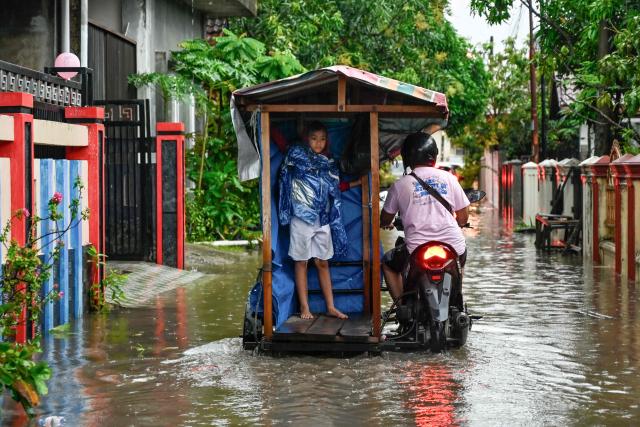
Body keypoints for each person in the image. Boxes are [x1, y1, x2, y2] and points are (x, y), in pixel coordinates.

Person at [380, 131, 470, 301]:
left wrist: (386, 223)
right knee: (460, 259)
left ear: (407, 156)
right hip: (453, 246)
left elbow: (385, 219)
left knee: (388, 263)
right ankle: (457, 297)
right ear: (433, 156)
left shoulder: (400, 185)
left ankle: (402, 307)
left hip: (416, 249)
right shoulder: (449, 178)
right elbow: (463, 218)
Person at [278, 121, 348, 320]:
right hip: (301, 217)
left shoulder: (328, 163)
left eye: (322, 139)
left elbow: (334, 187)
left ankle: (331, 307)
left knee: (323, 262)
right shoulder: (296, 156)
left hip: (322, 217)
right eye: (314, 138)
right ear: (306, 139)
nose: (318, 143)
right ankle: (304, 307)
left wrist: (354, 183)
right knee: (301, 262)